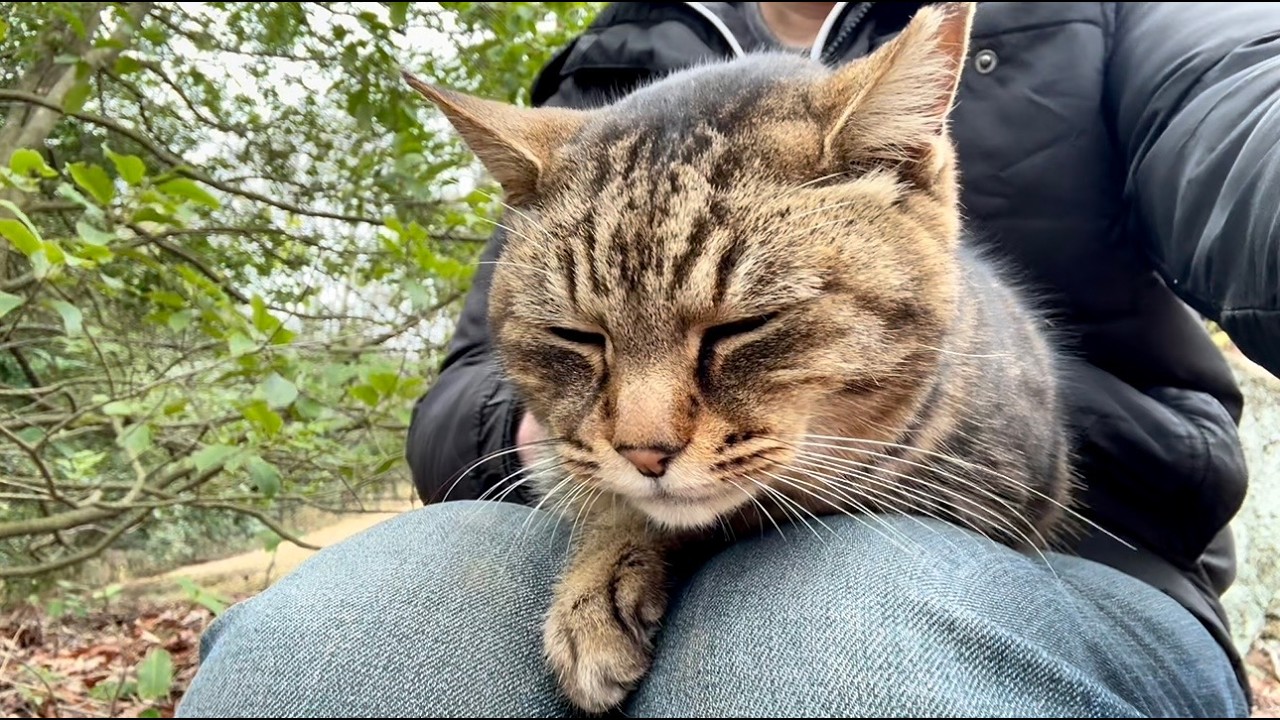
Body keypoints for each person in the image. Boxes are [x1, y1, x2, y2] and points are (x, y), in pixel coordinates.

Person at [178, 3, 1280, 716]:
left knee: (821, 653)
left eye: (742, 332)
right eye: (582, 342)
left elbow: (1245, 119)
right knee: (320, 658)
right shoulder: (610, 62)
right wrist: (601, 495)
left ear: (909, 172)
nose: (650, 432)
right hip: (553, 526)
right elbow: (471, 386)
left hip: (1089, 567)